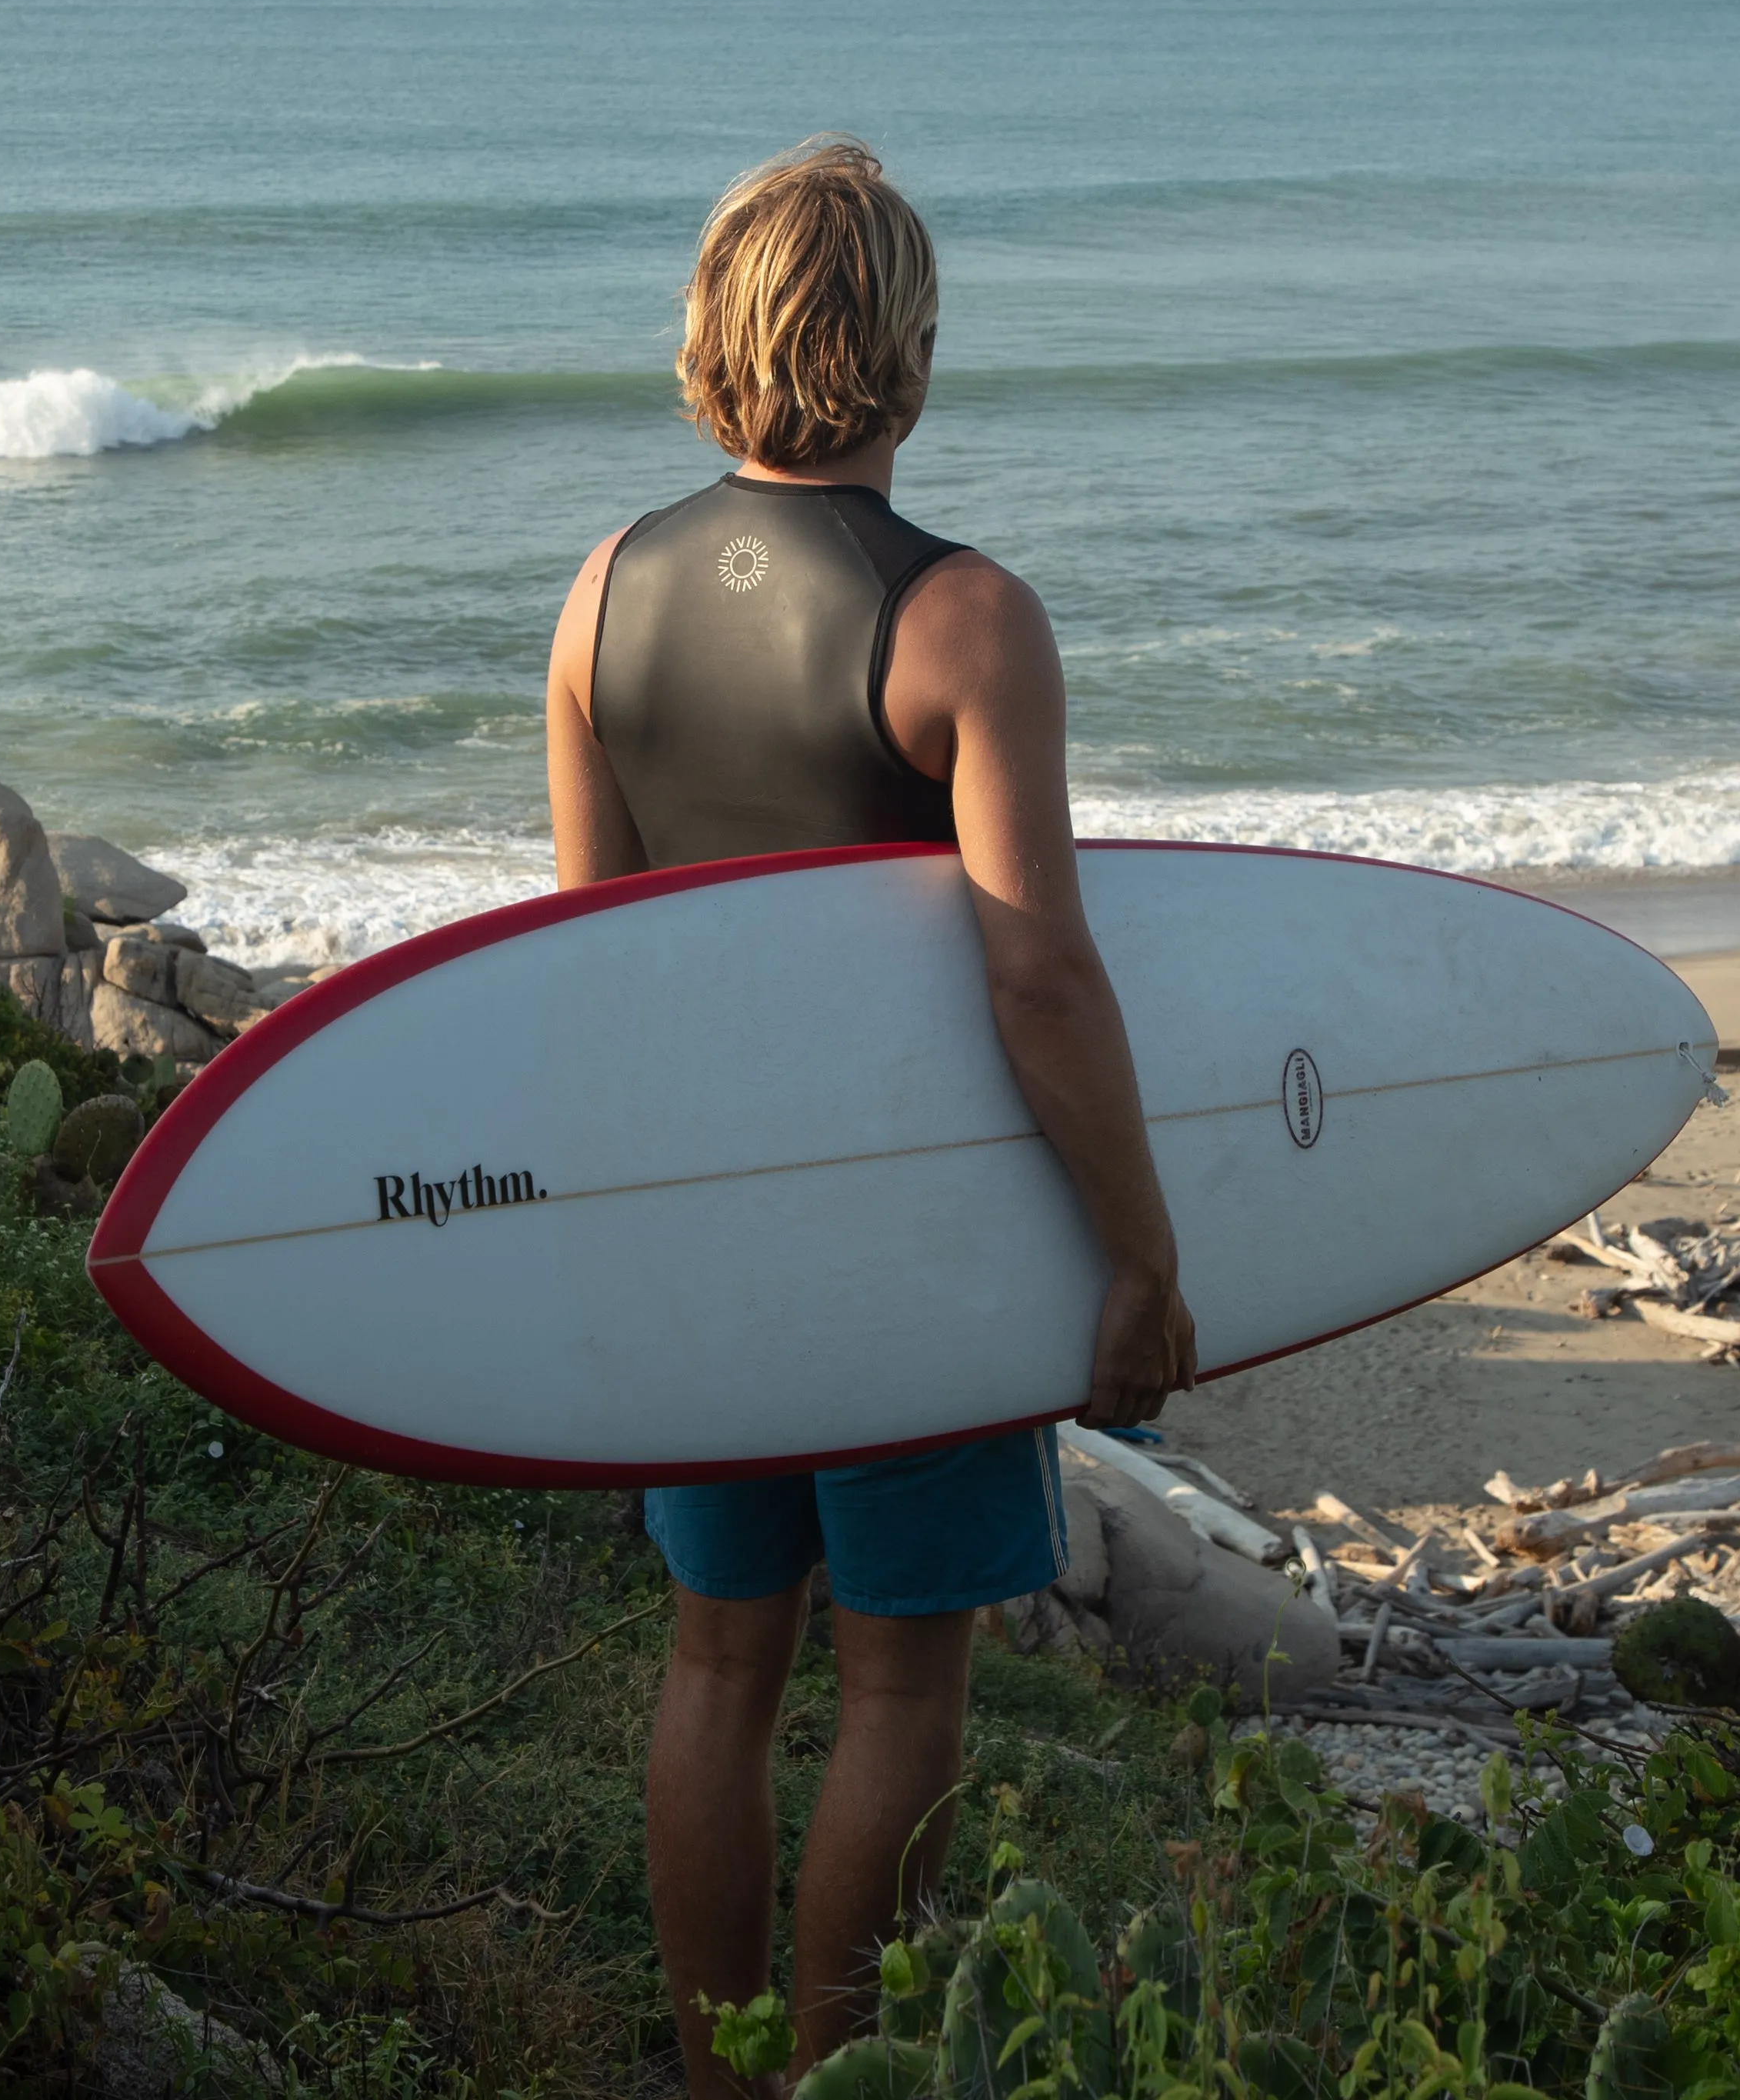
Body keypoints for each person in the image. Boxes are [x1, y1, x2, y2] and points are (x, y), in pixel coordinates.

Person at [542, 135, 1198, 2092]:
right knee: (902, 1681)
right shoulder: (963, 625)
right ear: (907, 356)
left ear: (708, 349)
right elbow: (1040, 976)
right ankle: (839, 2075)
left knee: (715, 1663)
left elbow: (595, 968)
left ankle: (714, 2074)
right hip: (908, 1244)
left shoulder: (597, 602)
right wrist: (1140, 1252)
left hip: (708, 1230)